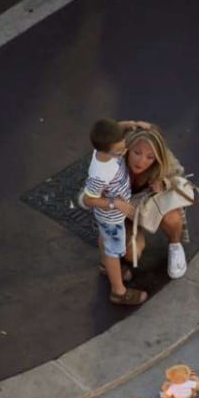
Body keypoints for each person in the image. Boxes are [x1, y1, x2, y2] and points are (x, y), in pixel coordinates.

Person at [80, 118, 150, 306]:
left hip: (108, 218)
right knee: (113, 250)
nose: (124, 152)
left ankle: (105, 266)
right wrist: (116, 204)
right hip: (111, 216)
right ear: (105, 149)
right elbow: (88, 199)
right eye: (119, 151)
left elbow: (116, 129)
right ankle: (118, 291)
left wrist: (130, 125)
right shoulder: (100, 173)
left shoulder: (104, 148)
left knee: (105, 239)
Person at [119, 126, 189, 280]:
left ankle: (175, 246)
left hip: (149, 206)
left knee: (172, 216)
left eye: (150, 157)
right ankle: (118, 261)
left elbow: (178, 175)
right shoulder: (115, 161)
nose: (141, 161)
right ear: (128, 148)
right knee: (132, 252)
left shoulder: (164, 160)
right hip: (124, 212)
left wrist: (164, 183)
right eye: (137, 153)